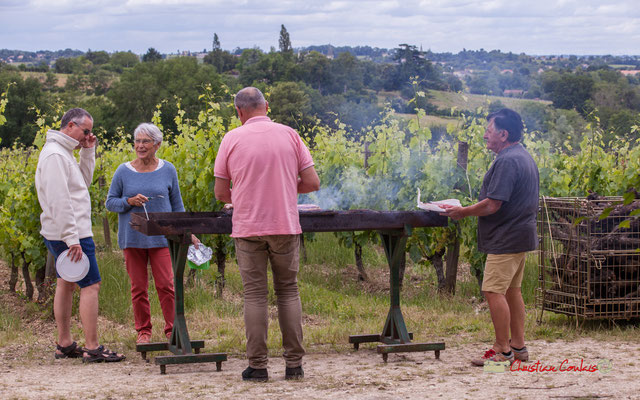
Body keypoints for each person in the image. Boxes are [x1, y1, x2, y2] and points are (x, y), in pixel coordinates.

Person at [214, 87, 320, 381]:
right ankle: (294, 365)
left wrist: (245, 192)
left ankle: (258, 366)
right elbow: (312, 182)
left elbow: (221, 192)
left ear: (239, 112)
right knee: (288, 290)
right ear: (267, 106)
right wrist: (285, 185)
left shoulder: (231, 138)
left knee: (255, 295)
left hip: (248, 227)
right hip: (285, 225)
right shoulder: (290, 135)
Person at [440, 108, 539, 366]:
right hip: (521, 236)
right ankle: (518, 347)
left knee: (493, 291)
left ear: (503, 134)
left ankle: (501, 349)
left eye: (489, 130)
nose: (485, 135)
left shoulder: (507, 160)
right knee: (512, 291)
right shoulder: (523, 156)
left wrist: (463, 212)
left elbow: (493, 204)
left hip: (506, 238)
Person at [35, 108, 125, 363]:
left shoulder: (63, 152)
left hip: (66, 231)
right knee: (91, 285)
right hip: (71, 233)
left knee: (66, 283)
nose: (88, 135)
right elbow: (58, 199)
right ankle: (93, 347)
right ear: (71, 126)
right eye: (85, 131)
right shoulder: (55, 155)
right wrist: (71, 237)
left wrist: (88, 150)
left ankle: (64, 344)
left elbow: (81, 183)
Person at [105, 123, 199, 344]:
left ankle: (172, 330)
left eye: (145, 141)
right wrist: (129, 201)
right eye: (137, 141)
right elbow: (110, 203)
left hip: (162, 238)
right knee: (138, 288)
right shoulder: (123, 171)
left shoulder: (168, 170)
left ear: (157, 144)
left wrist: (188, 231)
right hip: (133, 238)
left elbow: (177, 205)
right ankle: (143, 331)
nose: (140, 145)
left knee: (166, 285)